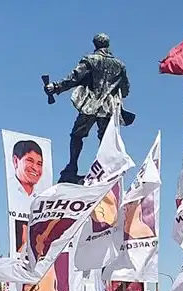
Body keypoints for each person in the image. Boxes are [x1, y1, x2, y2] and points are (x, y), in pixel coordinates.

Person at [45, 33, 132, 184]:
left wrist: (56, 87)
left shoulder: (90, 60)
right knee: (105, 139)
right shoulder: (120, 65)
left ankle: (72, 166)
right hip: (108, 108)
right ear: (108, 44)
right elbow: (125, 89)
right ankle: (104, 168)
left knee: (77, 135)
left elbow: (73, 78)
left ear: (95, 44)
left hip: (90, 106)